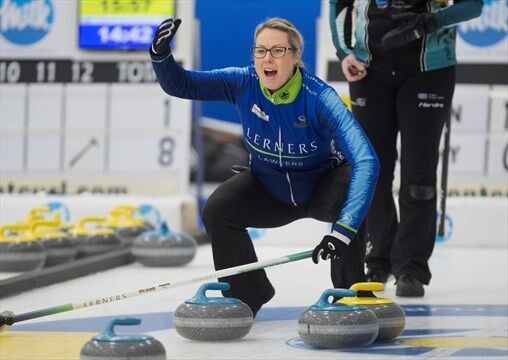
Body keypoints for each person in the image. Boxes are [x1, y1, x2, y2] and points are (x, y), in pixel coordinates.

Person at [150, 17, 379, 316]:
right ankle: (247, 294)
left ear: (296, 56)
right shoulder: (243, 82)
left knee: (350, 186)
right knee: (218, 209)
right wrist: (161, 56)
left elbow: (366, 160)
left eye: (278, 51)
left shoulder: (321, 98)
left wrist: (344, 230)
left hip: (320, 191)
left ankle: (349, 293)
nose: (267, 58)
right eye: (260, 51)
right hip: (269, 190)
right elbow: (182, 84)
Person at [329, 0, 484, 297]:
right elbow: (338, 6)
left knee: (419, 174)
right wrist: (344, 53)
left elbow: (473, 6)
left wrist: (429, 22)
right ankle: (378, 261)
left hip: (430, 68)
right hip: (368, 70)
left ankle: (411, 268)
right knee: (372, 171)